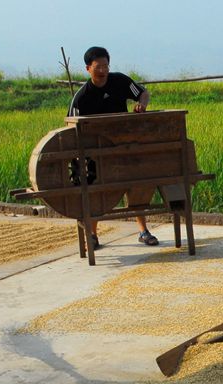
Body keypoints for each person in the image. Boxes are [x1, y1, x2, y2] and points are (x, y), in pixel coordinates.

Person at [68, 45, 159, 249]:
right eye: (98, 67)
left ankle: (143, 231)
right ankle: (92, 235)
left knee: (136, 186)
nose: (103, 71)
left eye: (106, 66)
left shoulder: (120, 81)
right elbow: (71, 126)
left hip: (124, 145)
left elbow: (143, 93)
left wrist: (142, 105)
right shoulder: (81, 97)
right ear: (87, 69)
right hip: (96, 152)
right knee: (97, 191)